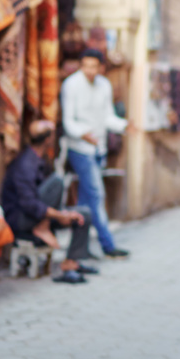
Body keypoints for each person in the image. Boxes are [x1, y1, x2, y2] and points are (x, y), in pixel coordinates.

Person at [0, 120, 98, 284]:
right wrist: (59, 215)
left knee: (84, 214)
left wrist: (63, 214)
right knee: (58, 181)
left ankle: (71, 263)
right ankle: (42, 227)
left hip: (39, 214)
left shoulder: (41, 159)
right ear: (48, 139)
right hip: (22, 219)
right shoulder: (25, 164)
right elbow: (29, 204)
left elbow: (46, 199)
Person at [60, 48, 131, 258]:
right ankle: (108, 245)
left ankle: (78, 250)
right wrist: (84, 134)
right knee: (97, 194)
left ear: (100, 67)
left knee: (85, 202)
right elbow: (68, 122)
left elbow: (107, 117)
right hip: (80, 148)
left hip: (98, 148)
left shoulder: (104, 85)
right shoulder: (71, 85)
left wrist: (124, 125)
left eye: (94, 66)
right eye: (86, 66)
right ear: (81, 65)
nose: (90, 71)